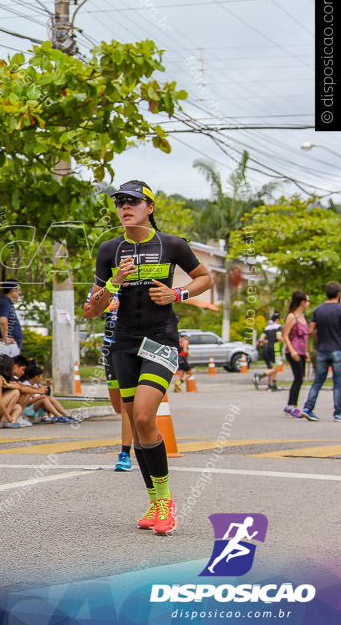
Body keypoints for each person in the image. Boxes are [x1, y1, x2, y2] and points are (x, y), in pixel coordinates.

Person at [83, 180, 213, 536]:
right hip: (123, 343)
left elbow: (206, 278)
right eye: (120, 202)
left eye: (133, 201)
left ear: (150, 207)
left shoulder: (171, 245)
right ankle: (154, 500)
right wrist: (112, 284)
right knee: (138, 426)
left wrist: (178, 293)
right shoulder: (110, 250)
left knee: (143, 415)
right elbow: (90, 311)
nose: (125, 207)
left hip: (160, 339)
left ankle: (166, 501)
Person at [92, 294, 134, 471]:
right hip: (110, 347)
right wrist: (106, 305)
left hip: (132, 345)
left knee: (126, 405)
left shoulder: (140, 282)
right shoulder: (108, 285)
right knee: (118, 407)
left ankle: (125, 454)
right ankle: (141, 429)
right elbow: (89, 311)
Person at [302, 281, 341, 422]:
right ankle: (338, 413)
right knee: (338, 383)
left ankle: (308, 408)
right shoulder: (340, 310)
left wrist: (320, 338)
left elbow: (311, 330)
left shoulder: (318, 310)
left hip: (322, 349)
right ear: (338, 294)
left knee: (318, 380)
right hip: (337, 348)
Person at [281, 290, 311, 418]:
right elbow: (285, 335)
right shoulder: (291, 316)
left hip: (302, 351)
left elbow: (304, 337)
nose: (309, 304)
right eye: (308, 301)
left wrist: (307, 351)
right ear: (302, 302)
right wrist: (292, 350)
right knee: (298, 378)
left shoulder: (303, 317)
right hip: (293, 351)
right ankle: (292, 405)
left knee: (300, 378)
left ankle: (291, 404)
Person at [0, 281, 22, 358]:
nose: (19, 293)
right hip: (8, 344)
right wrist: (6, 337)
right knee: (7, 367)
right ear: (12, 290)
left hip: (11, 343)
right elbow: (3, 320)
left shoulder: (7, 303)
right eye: (18, 290)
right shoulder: (4, 302)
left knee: (11, 367)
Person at [254, 313, 282, 391]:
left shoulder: (267, 328)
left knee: (270, 367)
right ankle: (260, 376)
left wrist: (268, 342)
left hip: (267, 349)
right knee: (276, 368)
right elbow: (279, 337)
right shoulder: (278, 327)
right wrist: (285, 341)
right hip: (275, 349)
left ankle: (271, 385)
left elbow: (261, 339)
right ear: (278, 320)